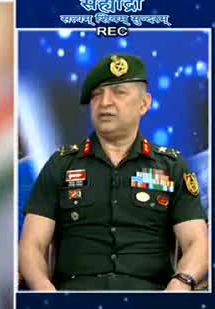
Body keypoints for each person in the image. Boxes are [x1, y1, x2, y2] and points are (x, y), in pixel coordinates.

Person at [20, 54, 209, 291]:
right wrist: (45, 290)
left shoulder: (171, 166)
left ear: (144, 104)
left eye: (118, 92)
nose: (105, 102)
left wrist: (181, 283)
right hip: (75, 301)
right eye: (97, 94)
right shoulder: (61, 164)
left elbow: (196, 242)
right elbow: (32, 245)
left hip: (151, 300)